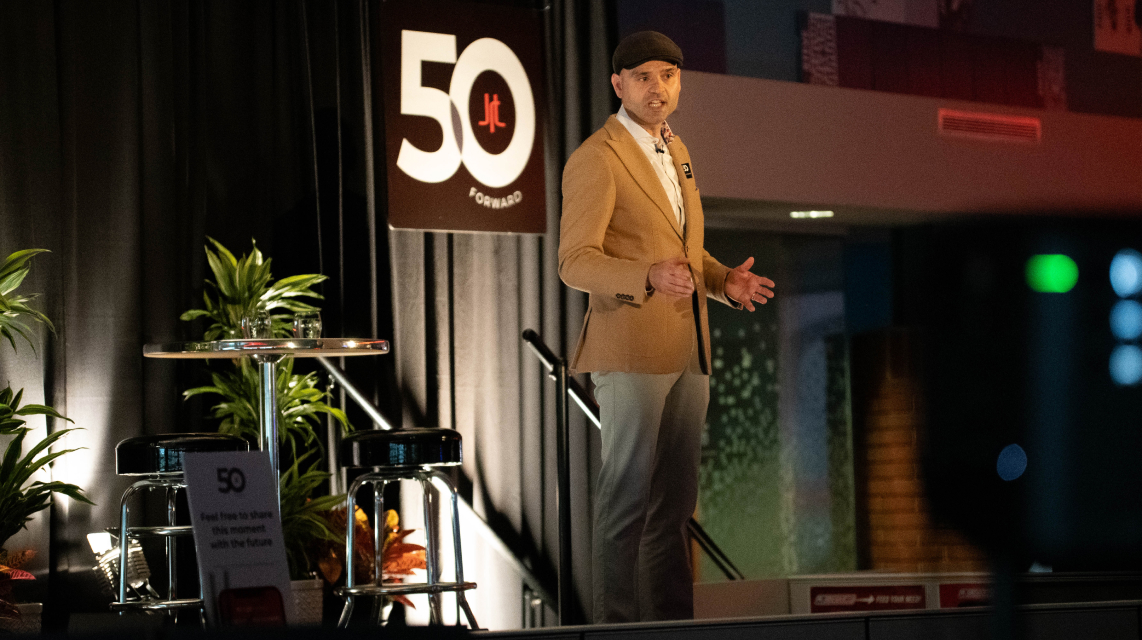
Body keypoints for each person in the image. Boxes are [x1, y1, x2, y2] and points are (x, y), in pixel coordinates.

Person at [558, 31, 776, 623]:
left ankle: (672, 625)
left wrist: (724, 280)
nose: (659, 88)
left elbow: (685, 253)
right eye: (646, 76)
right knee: (627, 502)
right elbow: (574, 261)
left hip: (689, 347)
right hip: (630, 348)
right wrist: (647, 275)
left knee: (675, 508)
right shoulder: (596, 158)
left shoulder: (675, 151)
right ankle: (616, 628)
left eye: (669, 76)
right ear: (618, 84)